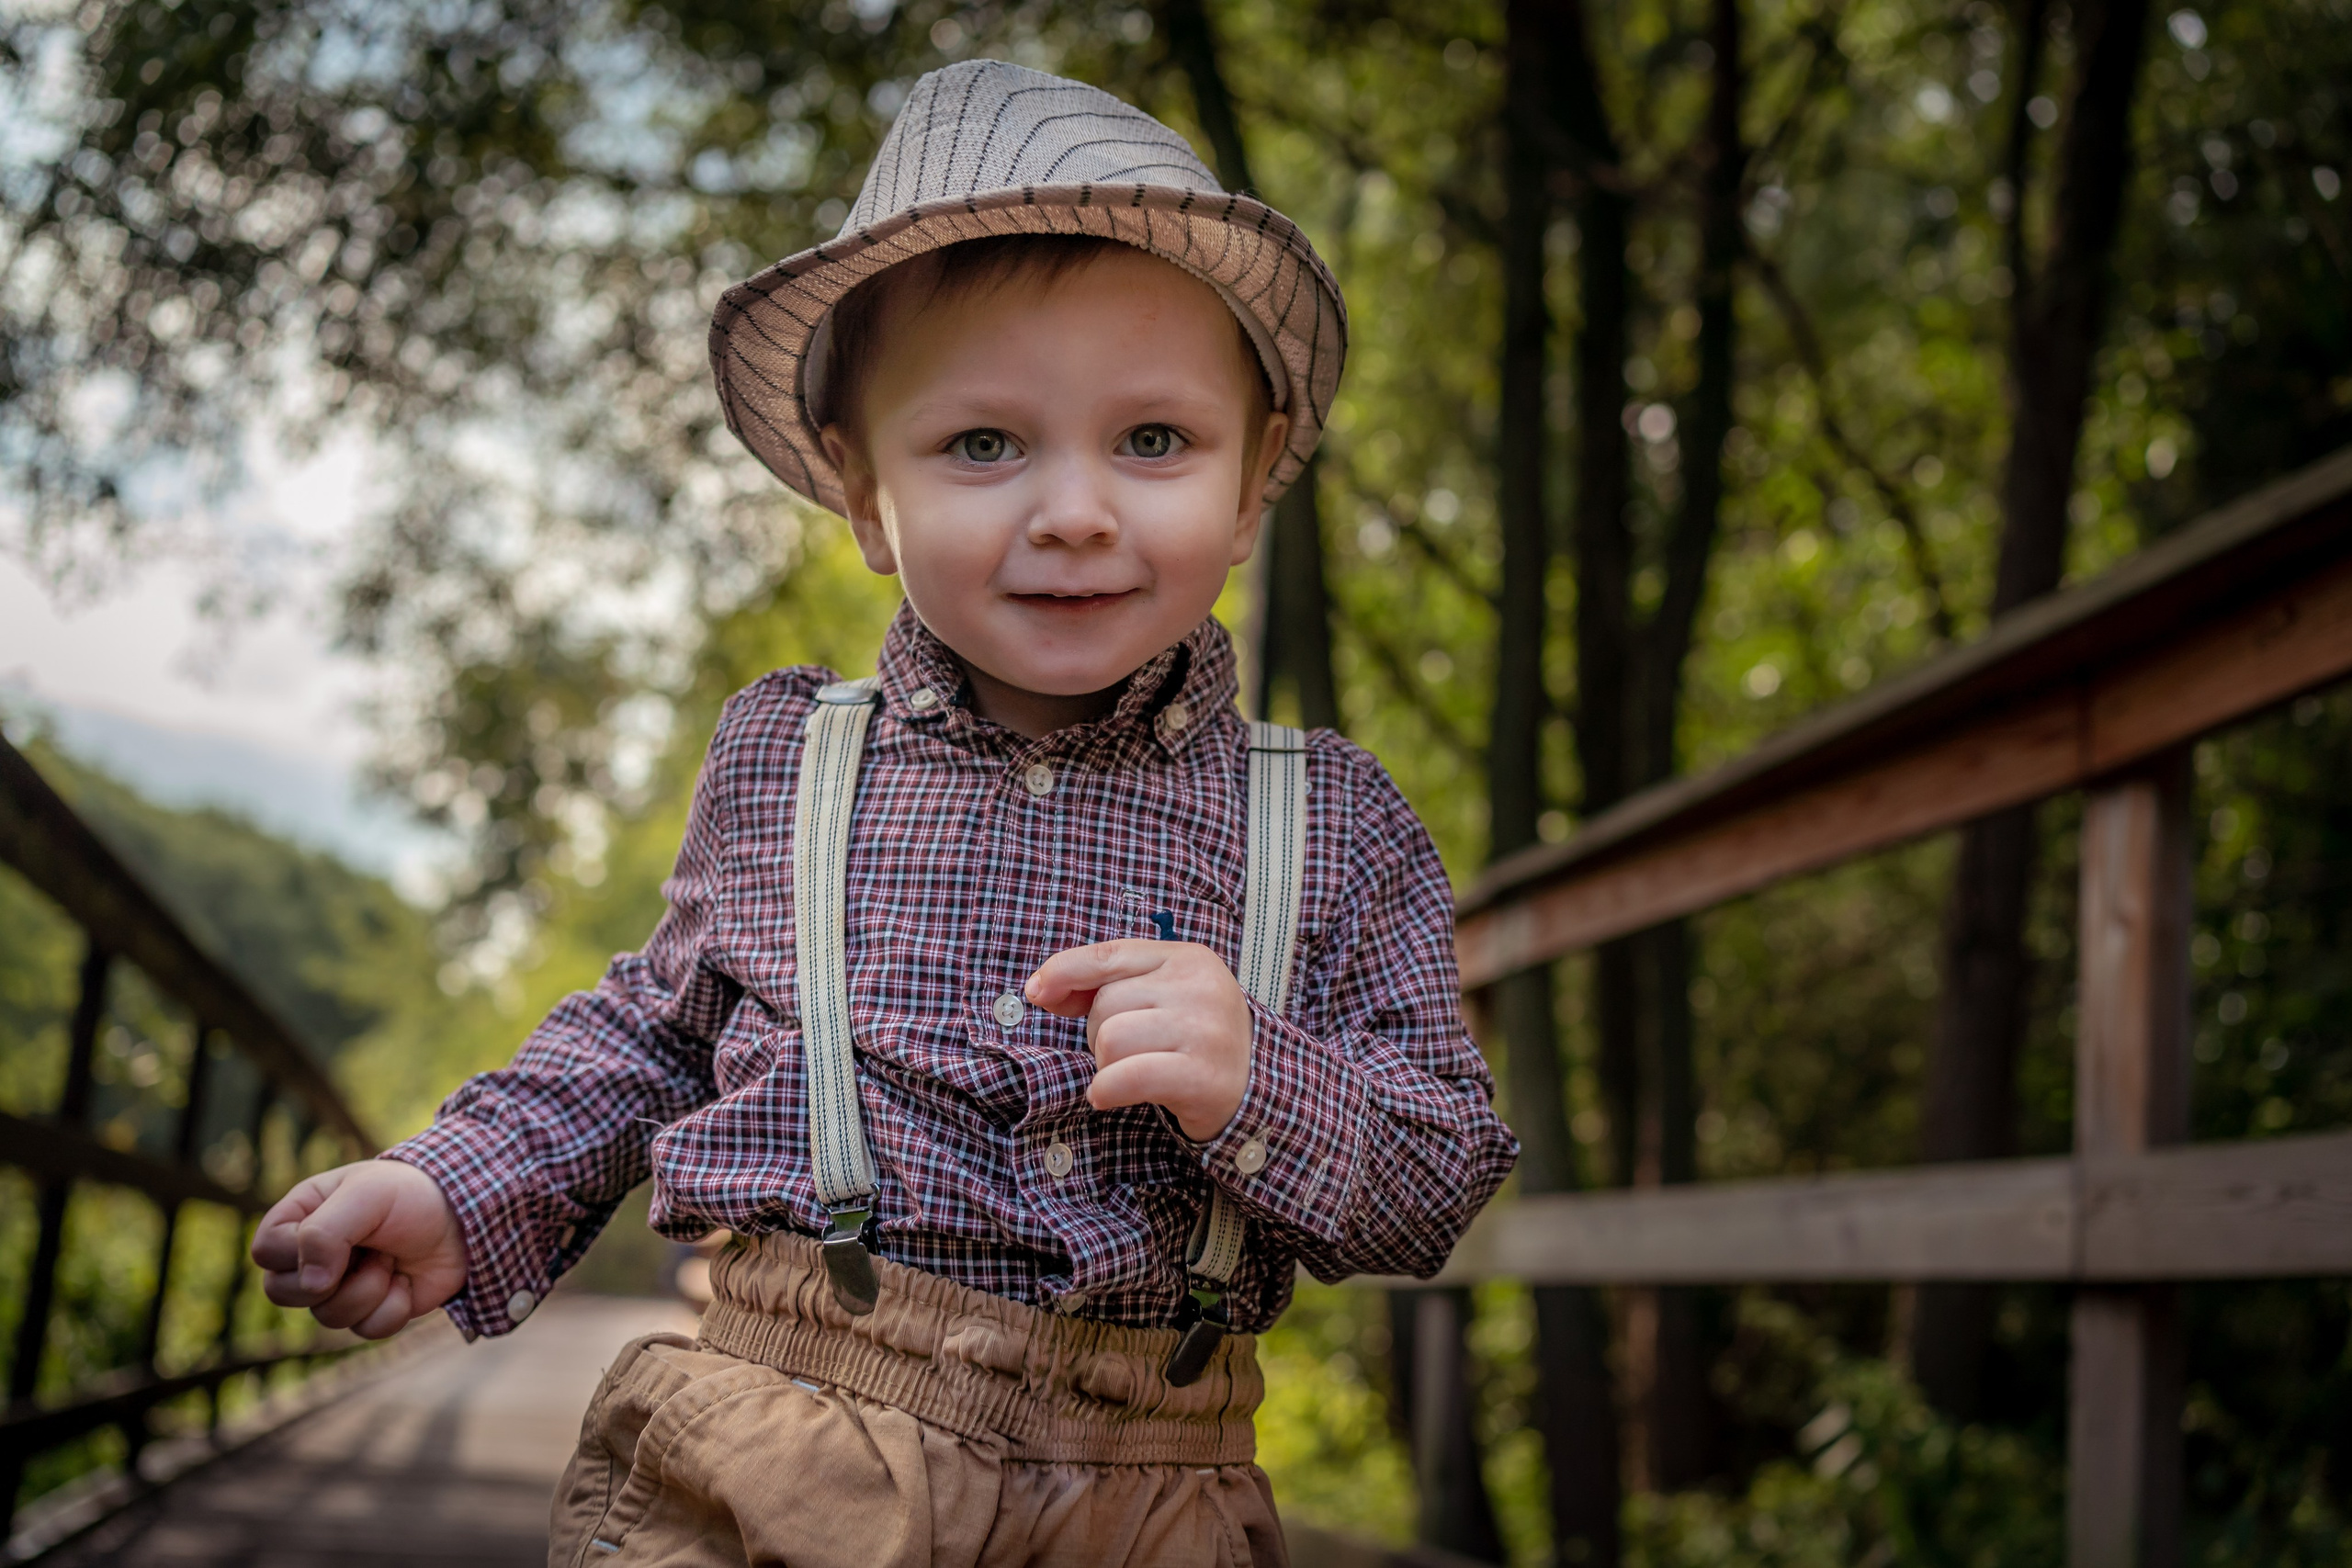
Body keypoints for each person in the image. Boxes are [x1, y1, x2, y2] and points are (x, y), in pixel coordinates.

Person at [254, 60, 1517, 1567]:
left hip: (1152, 1498)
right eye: (983, 445)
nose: (1075, 512)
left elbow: (1438, 1175)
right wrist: (453, 1185)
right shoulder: (792, 763)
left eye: (1154, 442)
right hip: (795, 1434)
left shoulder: (1335, 826)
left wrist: (1266, 1080)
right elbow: (655, 1036)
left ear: (1250, 492)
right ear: (865, 499)